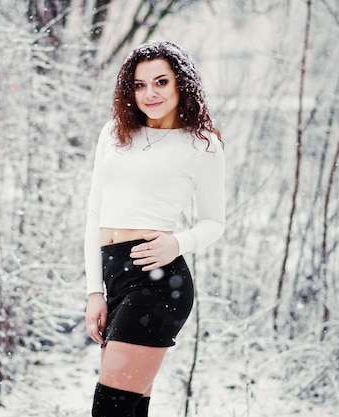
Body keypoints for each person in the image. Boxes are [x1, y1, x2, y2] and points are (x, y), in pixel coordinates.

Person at [84, 41, 226, 417]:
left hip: (157, 281)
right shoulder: (114, 134)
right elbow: (94, 215)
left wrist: (178, 242)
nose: (150, 93)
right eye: (139, 84)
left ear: (182, 85)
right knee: (129, 409)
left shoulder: (201, 144)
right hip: (114, 278)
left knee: (110, 409)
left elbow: (215, 222)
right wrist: (94, 291)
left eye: (161, 82)